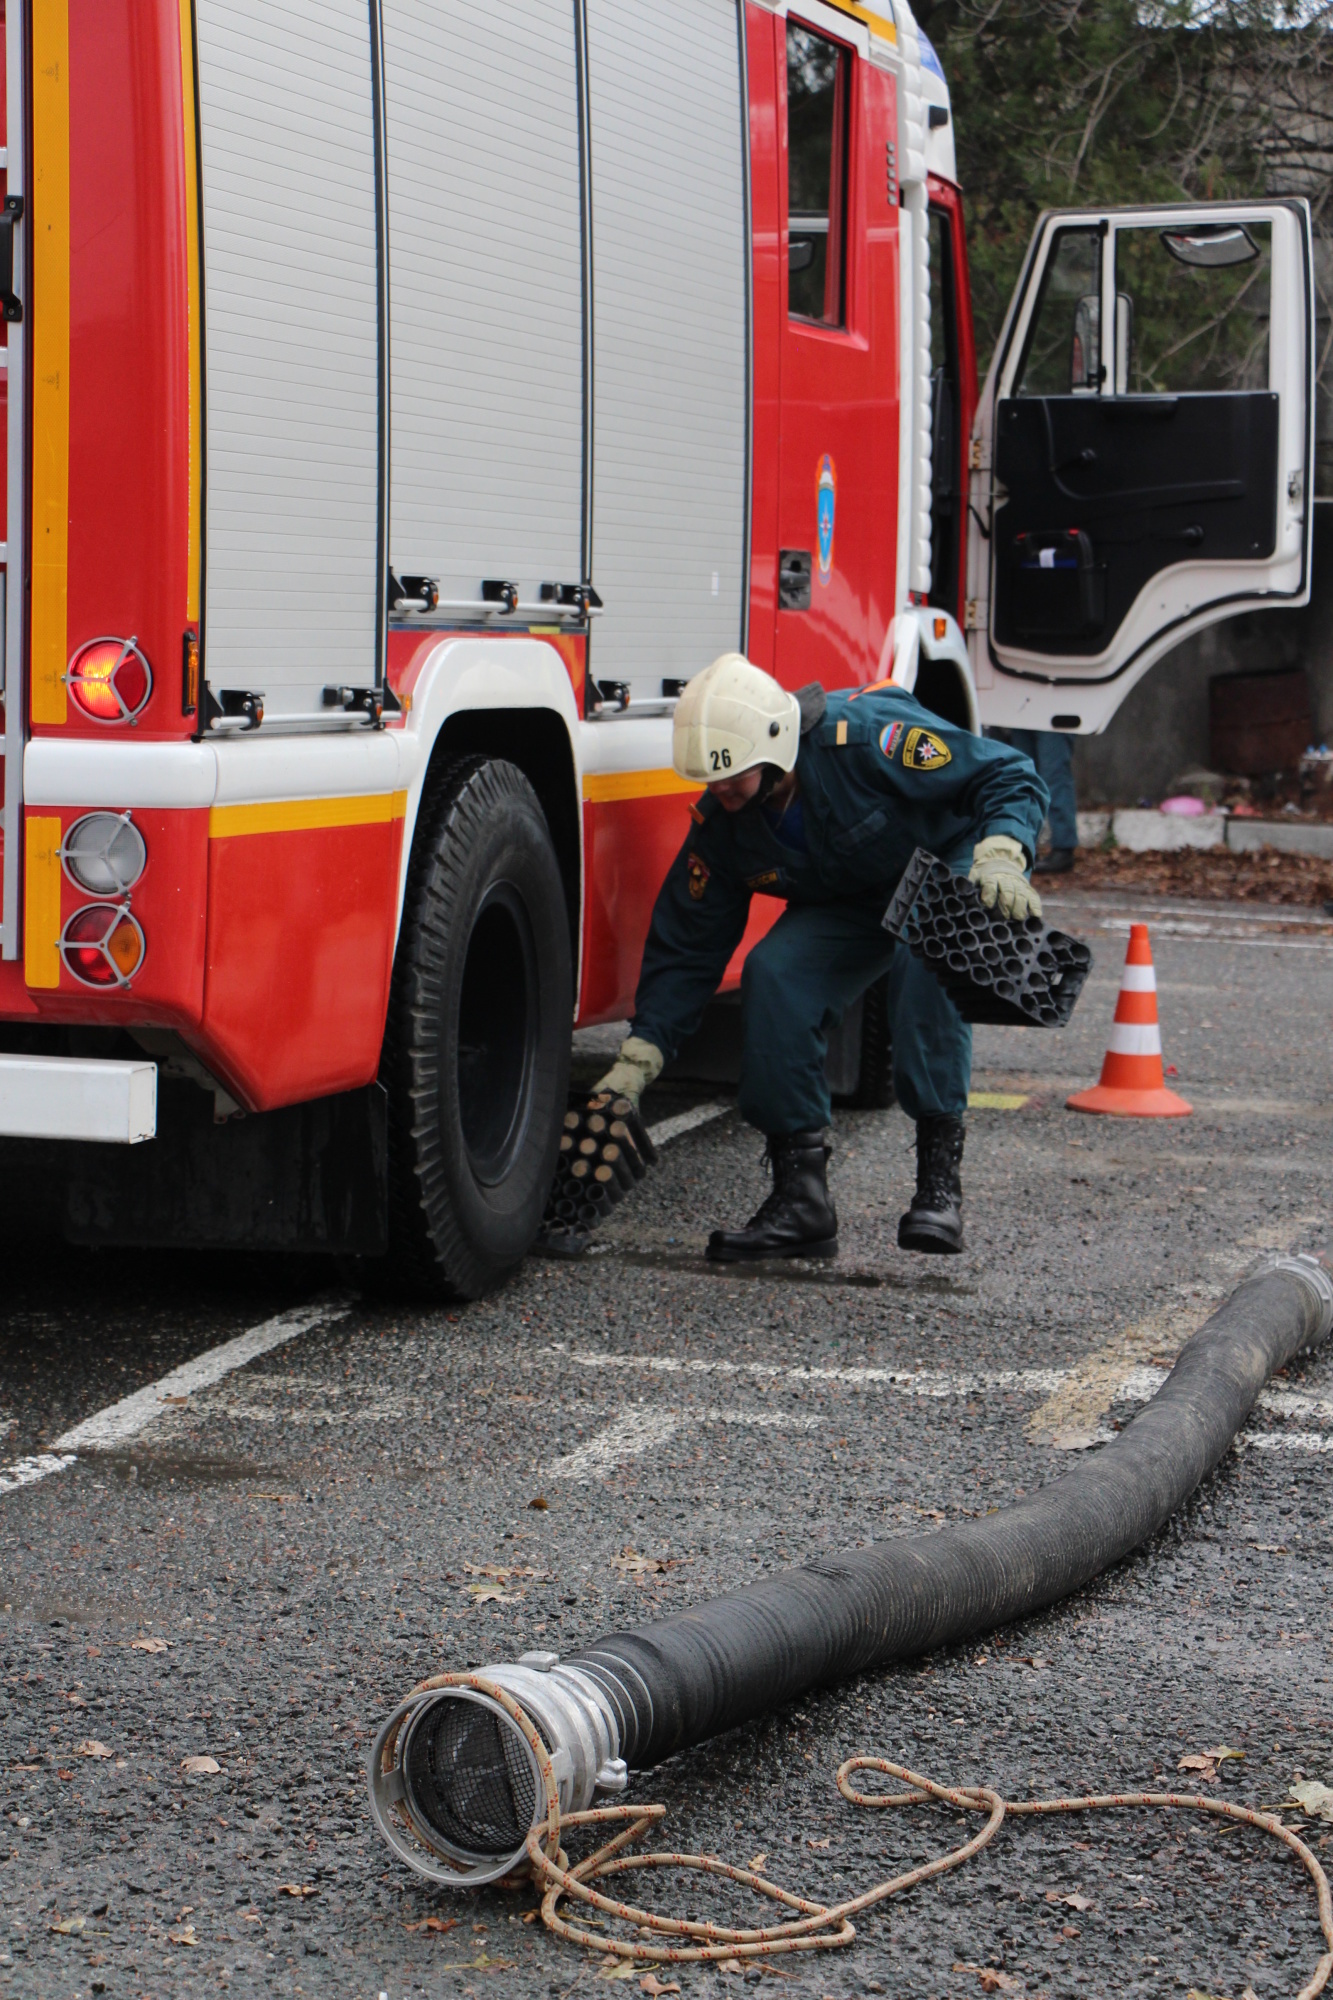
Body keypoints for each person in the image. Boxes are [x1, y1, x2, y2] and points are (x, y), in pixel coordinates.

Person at [593, 655, 1048, 1260]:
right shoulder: (723, 824)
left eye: (734, 778)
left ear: (776, 745)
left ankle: (939, 1188)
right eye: (712, 782)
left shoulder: (868, 740)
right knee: (775, 978)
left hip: (945, 861)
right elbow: (688, 942)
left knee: (925, 961)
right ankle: (801, 1204)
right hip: (853, 900)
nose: (721, 792)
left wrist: (1002, 851)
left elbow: (1008, 774)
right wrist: (639, 1056)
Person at [1008, 728, 1077, 874]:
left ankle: (1063, 848)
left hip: (1053, 712)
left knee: (1054, 776)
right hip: (1020, 712)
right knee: (1022, 778)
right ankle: (1025, 846)